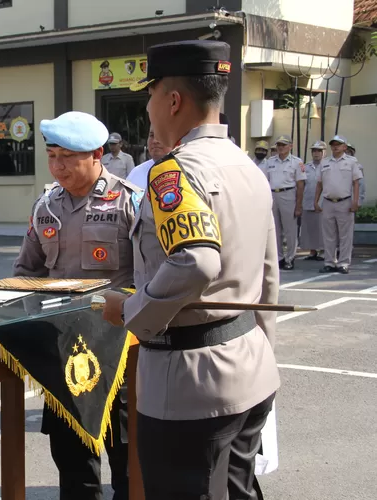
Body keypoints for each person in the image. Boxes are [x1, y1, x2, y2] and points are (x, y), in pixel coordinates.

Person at [100, 40, 279, 500]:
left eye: (150, 93)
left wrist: (133, 310)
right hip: (249, 365)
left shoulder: (173, 173)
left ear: (172, 100)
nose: (148, 105)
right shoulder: (247, 165)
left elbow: (196, 260)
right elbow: (268, 274)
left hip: (189, 383)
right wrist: (262, 347)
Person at [13, 110, 139, 500]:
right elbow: (25, 270)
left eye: (67, 157)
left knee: (127, 457)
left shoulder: (130, 203)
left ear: (98, 153)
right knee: (72, 460)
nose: (58, 167)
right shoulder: (45, 205)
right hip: (63, 352)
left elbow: (151, 280)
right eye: (52, 157)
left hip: (118, 352)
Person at [314, 135, 363, 274]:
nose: (335, 146)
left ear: (344, 147)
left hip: (344, 202)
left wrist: (355, 201)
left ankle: (343, 263)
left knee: (345, 235)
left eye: (338, 144)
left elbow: (356, 183)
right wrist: (316, 201)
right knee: (328, 235)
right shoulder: (325, 162)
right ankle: (329, 262)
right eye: (333, 144)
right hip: (328, 202)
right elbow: (319, 184)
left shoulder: (352, 162)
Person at [261, 135, 305, 270]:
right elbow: (264, 181)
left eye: (284, 145)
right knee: (275, 230)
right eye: (279, 145)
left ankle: (290, 258)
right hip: (273, 194)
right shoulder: (270, 162)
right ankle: (279, 257)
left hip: (288, 194)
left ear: (290, 146)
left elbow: (301, 184)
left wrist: (298, 205)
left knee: (290, 230)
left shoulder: (297, 162)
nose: (280, 148)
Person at [301, 141, 326, 261]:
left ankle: (322, 250)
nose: (316, 153)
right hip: (307, 200)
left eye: (319, 151)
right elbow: (302, 184)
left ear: (324, 152)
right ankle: (312, 250)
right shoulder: (306, 166)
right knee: (309, 227)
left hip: (322, 202)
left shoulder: (327, 165)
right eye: (314, 151)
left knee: (321, 227)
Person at [127, 125, 171, 190]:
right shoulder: (136, 173)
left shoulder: (186, 170)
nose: (155, 141)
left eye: (161, 135)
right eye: (152, 135)